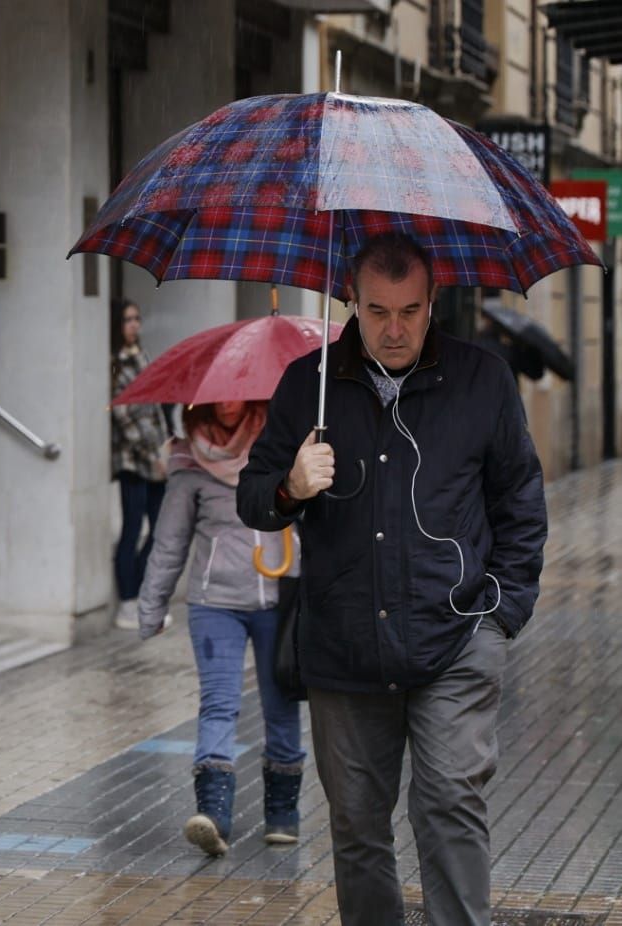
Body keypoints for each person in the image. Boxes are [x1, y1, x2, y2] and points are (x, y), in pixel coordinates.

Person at [237, 232, 546, 925]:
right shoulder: (307, 385)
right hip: (343, 649)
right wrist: (289, 486)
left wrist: (498, 619)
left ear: (433, 301)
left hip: (456, 639)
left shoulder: (481, 379)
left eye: (410, 310)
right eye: (377, 312)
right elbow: (251, 498)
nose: (395, 328)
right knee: (354, 827)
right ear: (350, 301)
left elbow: (520, 505)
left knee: (448, 805)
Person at [138, 399, 305, 856]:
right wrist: (151, 607)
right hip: (215, 605)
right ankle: (214, 815)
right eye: (217, 399)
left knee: (281, 702)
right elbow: (169, 541)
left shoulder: (282, 444)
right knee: (218, 705)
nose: (228, 405)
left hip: (280, 597)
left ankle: (283, 815)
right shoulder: (189, 458)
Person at [111, 299, 170, 630]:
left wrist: (163, 448)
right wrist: (152, 455)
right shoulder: (117, 363)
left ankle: (145, 596)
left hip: (154, 457)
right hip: (133, 461)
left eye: (137, 318)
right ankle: (128, 601)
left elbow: (154, 409)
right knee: (133, 528)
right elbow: (124, 417)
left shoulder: (141, 357)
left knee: (160, 527)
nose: (134, 325)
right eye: (127, 319)